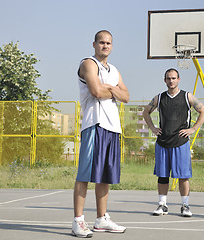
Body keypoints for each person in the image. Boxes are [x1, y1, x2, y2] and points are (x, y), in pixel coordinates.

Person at [72, 30, 129, 238]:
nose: (105, 46)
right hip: (93, 124)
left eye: (109, 43)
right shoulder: (88, 63)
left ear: (112, 46)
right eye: (102, 42)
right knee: (85, 174)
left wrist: (111, 89)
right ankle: (78, 221)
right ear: (94, 44)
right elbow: (96, 91)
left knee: (104, 175)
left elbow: (127, 96)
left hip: (112, 127)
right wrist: (114, 90)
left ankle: (101, 219)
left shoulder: (114, 70)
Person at [143, 68, 204, 217]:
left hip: (180, 141)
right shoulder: (159, 98)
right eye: (168, 78)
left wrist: (193, 129)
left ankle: (185, 206)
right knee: (163, 175)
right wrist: (152, 127)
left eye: (173, 78)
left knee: (183, 176)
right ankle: (162, 205)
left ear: (178, 79)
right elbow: (146, 112)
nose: (171, 81)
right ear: (165, 80)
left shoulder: (187, 96)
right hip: (163, 141)